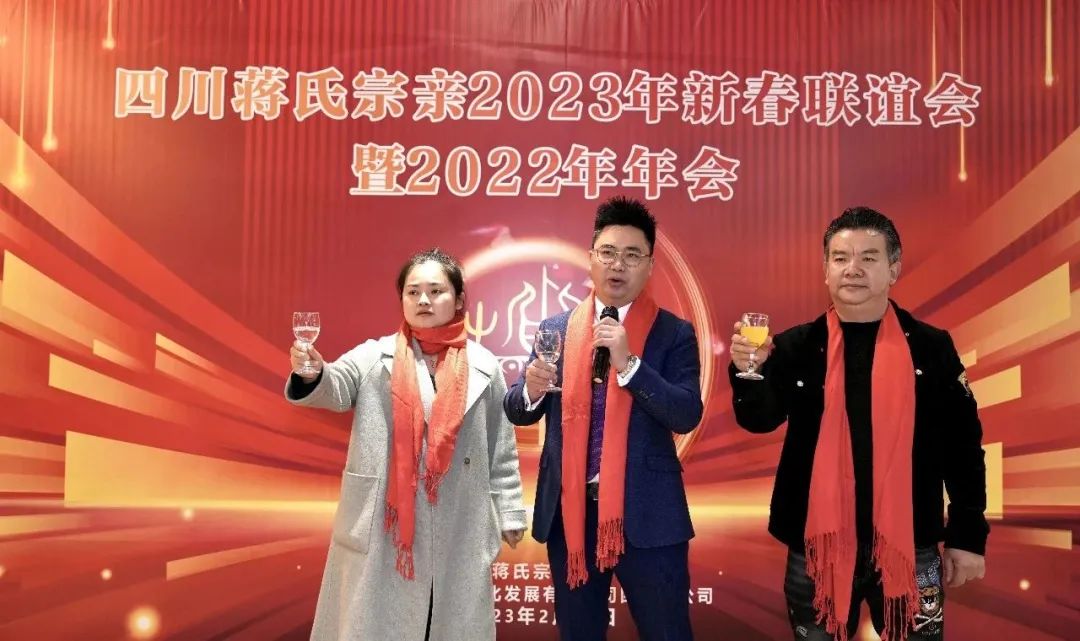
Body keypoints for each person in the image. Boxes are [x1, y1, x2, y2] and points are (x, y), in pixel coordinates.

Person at [729, 207, 988, 641]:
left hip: (911, 545)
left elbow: (963, 446)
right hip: (816, 548)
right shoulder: (795, 346)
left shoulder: (932, 348)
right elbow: (759, 419)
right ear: (825, 270)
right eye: (840, 258)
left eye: (869, 257)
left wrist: (967, 535)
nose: (853, 269)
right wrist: (747, 371)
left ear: (893, 269)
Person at [286, 248, 526, 641]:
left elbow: (501, 446)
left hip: (460, 520)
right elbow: (335, 386)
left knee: (448, 619)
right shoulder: (374, 355)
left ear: (459, 300)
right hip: (387, 521)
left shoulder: (485, 365)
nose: (423, 300)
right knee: (380, 622)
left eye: (436, 291)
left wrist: (510, 512)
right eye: (413, 292)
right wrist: (311, 373)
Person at [504, 196, 703, 641]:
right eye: (608, 252)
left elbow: (686, 412)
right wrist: (531, 391)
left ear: (649, 267)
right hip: (573, 514)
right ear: (591, 258)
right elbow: (516, 408)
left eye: (632, 255)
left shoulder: (674, 333)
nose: (618, 265)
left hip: (648, 516)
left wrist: (629, 364)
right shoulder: (555, 329)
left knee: (667, 633)